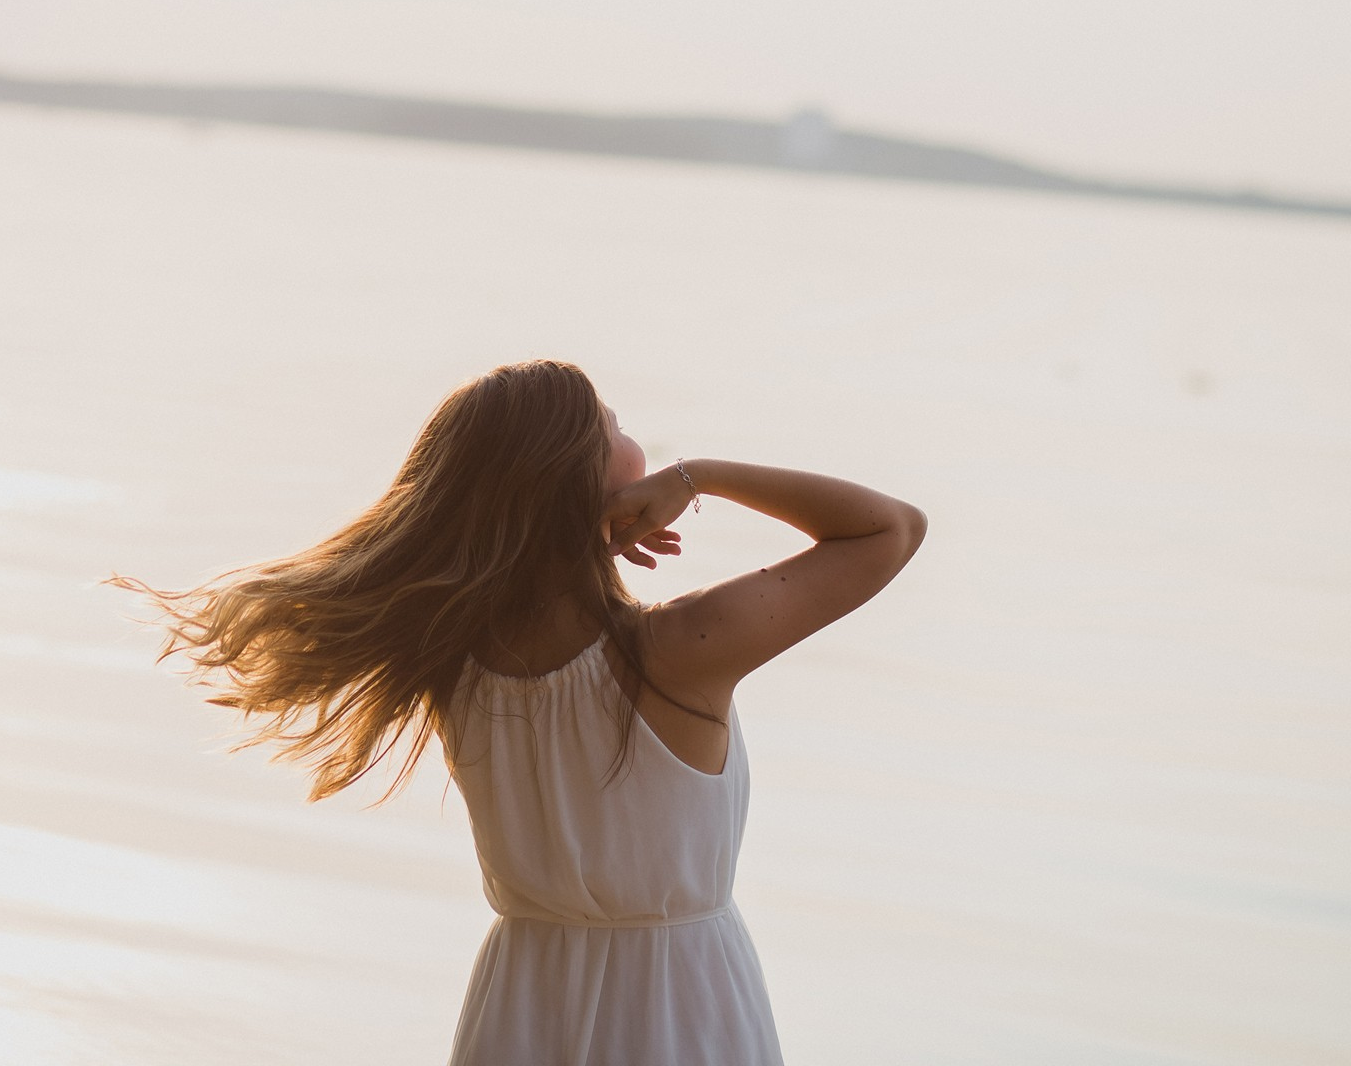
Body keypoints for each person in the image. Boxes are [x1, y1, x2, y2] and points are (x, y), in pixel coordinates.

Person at [115, 359, 926, 1065]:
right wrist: (697, 476)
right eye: (614, 424)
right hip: (681, 1000)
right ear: (578, 473)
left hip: (523, 996)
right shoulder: (679, 648)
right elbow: (889, 528)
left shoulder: (446, 654)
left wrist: (575, 540)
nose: (632, 434)